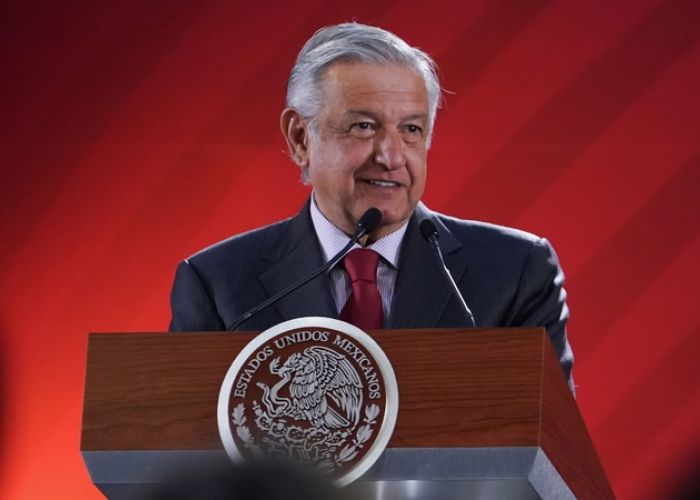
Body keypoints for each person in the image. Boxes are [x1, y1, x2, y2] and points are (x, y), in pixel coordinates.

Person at [169, 22, 575, 391]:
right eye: (364, 126)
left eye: (411, 130)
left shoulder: (515, 270)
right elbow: (179, 453)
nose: (391, 156)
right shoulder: (217, 283)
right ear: (300, 138)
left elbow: (551, 451)